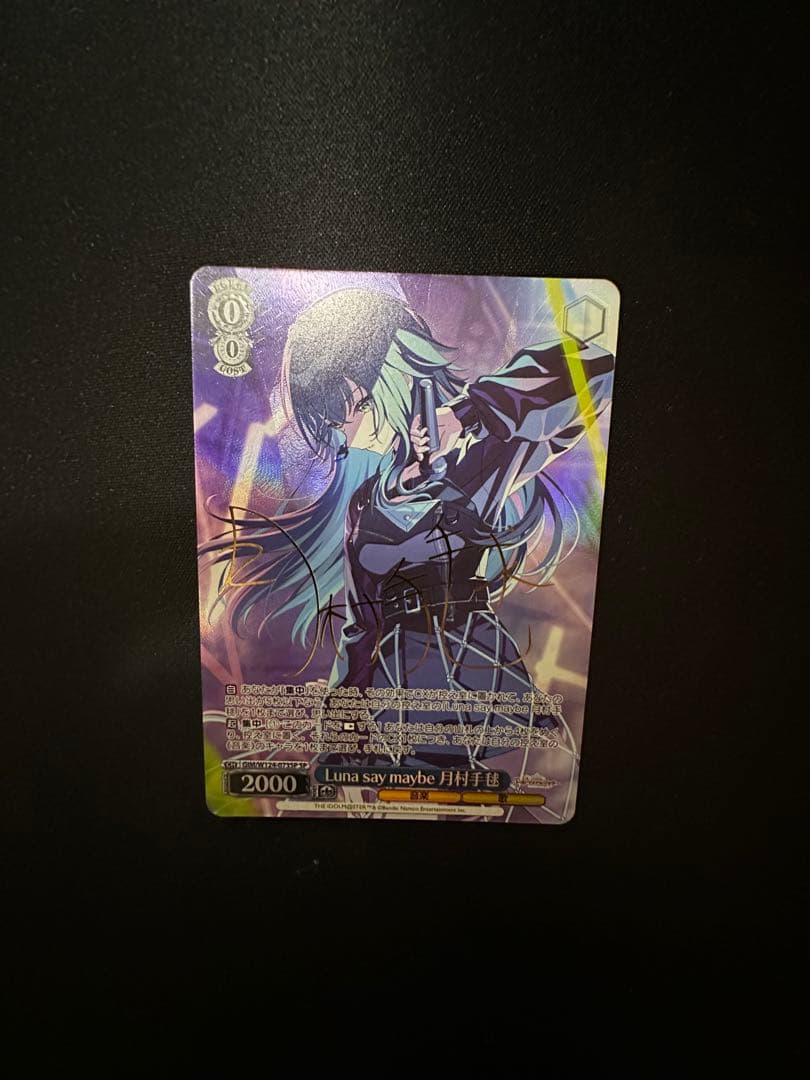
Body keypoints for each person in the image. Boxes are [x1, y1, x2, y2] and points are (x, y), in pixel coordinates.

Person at [202, 287, 614, 771]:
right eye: (344, 417)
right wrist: (338, 739)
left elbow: (594, 369)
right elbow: (361, 628)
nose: (355, 431)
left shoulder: (480, 456)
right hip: (391, 706)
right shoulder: (365, 501)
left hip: (465, 685)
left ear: (402, 370)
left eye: (361, 403)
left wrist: (468, 413)